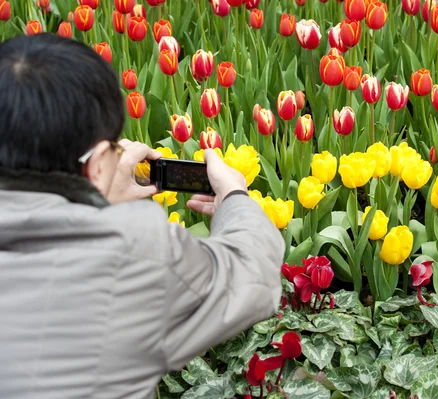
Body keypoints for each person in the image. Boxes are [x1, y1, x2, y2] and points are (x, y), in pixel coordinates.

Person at [0, 34, 284, 398]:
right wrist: (234, 197)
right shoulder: (136, 250)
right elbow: (253, 274)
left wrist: (100, 197)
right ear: (100, 163)